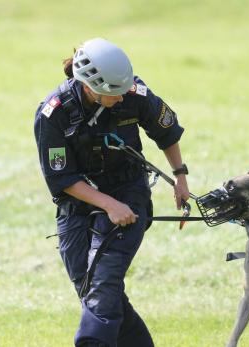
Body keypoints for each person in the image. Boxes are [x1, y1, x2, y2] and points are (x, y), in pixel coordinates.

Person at [34, 38, 190, 347]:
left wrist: (180, 176)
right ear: (90, 87)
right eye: (112, 94)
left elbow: (166, 130)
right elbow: (62, 178)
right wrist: (108, 205)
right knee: (91, 288)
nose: (120, 99)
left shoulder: (132, 92)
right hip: (77, 200)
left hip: (128, 189)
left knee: (103, 280)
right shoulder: (54, 115)